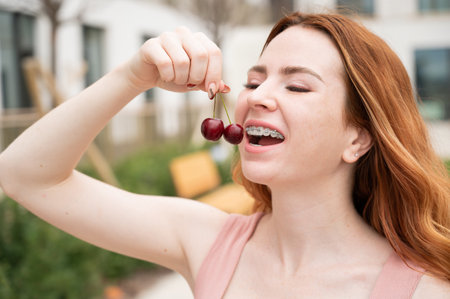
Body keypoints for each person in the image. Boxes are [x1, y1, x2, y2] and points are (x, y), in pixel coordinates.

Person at [0, 11, 449, 298]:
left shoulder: (424, 289)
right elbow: (26, 177)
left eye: (296, 85)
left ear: (358, 138)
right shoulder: (207, 240)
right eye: (254, 81)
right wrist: (132, 76)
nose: (257, 97)